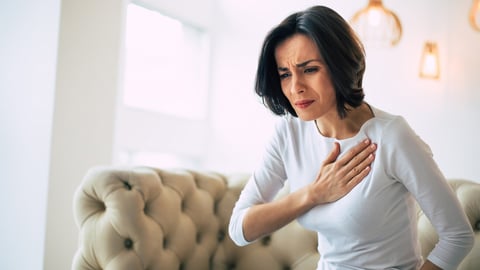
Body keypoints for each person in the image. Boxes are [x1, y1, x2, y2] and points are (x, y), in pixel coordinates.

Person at [228, 5, 474, 270]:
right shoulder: (289, 132)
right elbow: (240, 229)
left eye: (309, 69)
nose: (295, 86)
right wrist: (314, 194)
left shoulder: (392, 136)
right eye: (285, 74)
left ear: (339, 66)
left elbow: (458, 236)